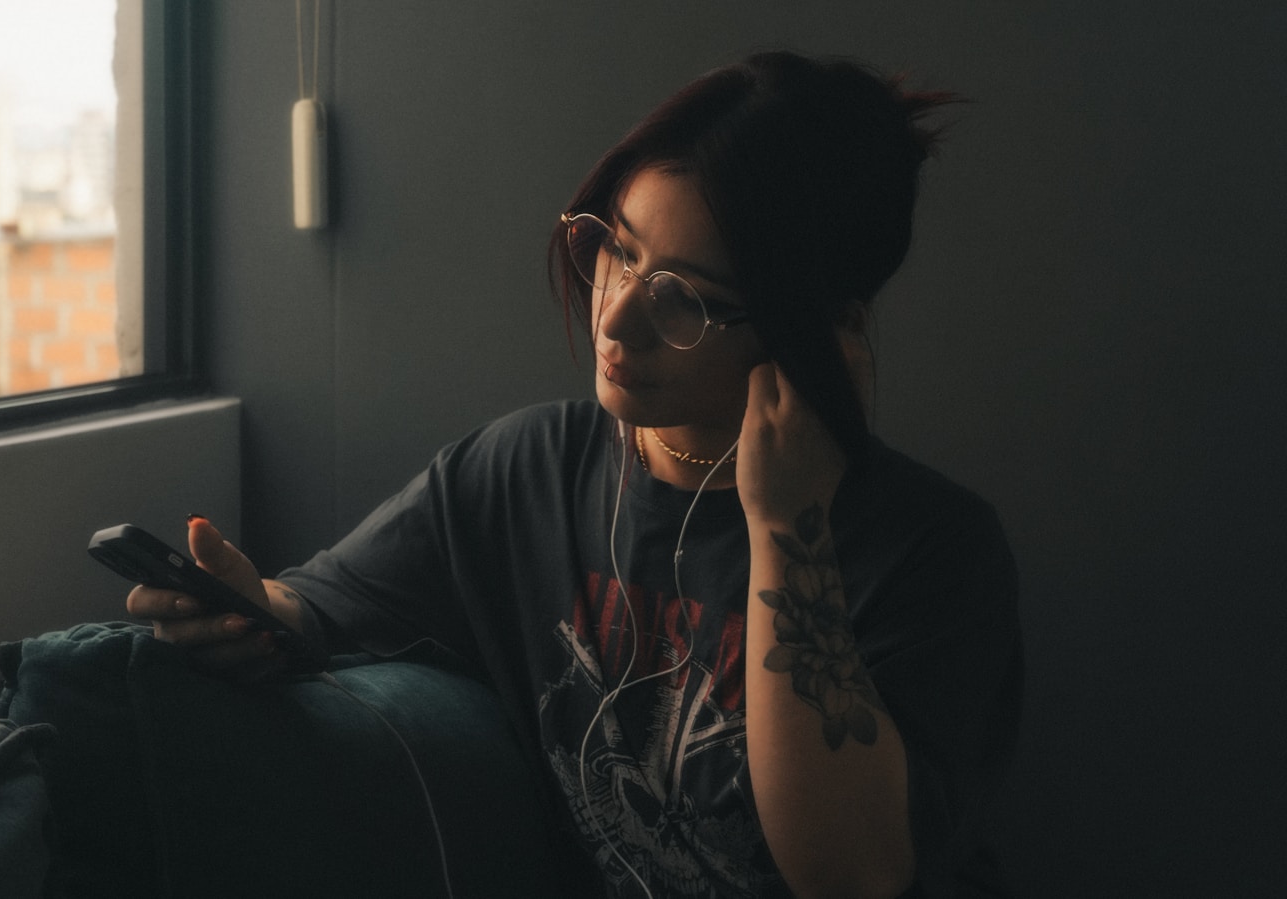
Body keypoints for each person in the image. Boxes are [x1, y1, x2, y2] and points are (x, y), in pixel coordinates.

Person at [127, 50, 1022, 899]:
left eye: (687, 299)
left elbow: (849, 874)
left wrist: (788, 526)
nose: (618, 317)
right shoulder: (524, 472)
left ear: (816, 328)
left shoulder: (933, 550)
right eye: (619, 249)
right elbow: (314, 609)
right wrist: (249, 611)